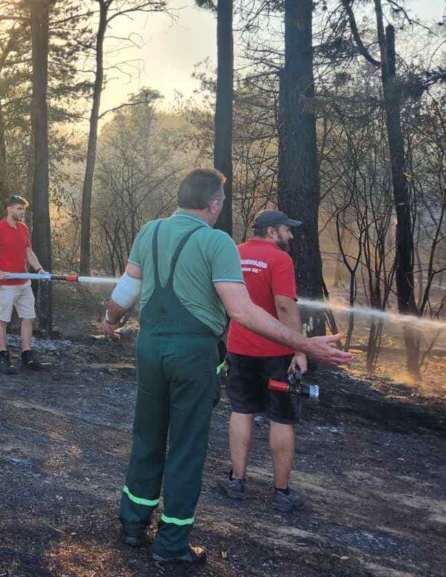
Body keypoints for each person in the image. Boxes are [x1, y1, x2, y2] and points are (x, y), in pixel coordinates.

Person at [100, 169, 351, 564]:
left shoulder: (148, 231)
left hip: (149, 350)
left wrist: (111, 320)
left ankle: (133, 524)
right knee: (186, 447)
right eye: (220, 203)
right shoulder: (217, 242)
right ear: (213, 205)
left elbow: (127, 290)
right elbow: (242, 311)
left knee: (147, 435)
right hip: (194, 354)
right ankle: (171, 546)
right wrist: (303, 344)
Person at [221, 209, 307, 512]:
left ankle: (236, 481)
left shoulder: (233, 253)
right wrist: (299, 349)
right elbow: (285, 308)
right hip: (275, 354)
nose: (291, 235)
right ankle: (282, 493)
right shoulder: (280, 260)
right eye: (287, 230)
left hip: (239, 348)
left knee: (241, 410)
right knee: (281, 417)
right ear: (272, 231)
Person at [0, 194, 51, 374]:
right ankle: (3, 355)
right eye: (19, 209)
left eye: (23, 209)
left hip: (24, 282)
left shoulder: (23, 228)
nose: (22, 212)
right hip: (6, 285)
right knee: (3, 320)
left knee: (29, 317)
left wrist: (39, 269)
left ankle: (27, 354)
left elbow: (29, 252)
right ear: (9, 209)